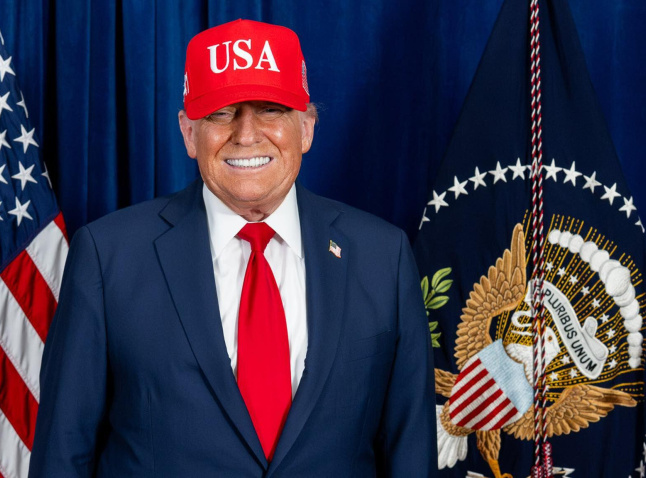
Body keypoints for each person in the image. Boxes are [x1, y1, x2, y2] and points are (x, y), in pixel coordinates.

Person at [29, 19, 435, 476]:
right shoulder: (108, 257)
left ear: (306, 128)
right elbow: (63, 455)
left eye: (270, 109)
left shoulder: (384, 257)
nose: (246, 134)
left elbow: (410, 454)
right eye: (221, 113)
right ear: (188, 133)